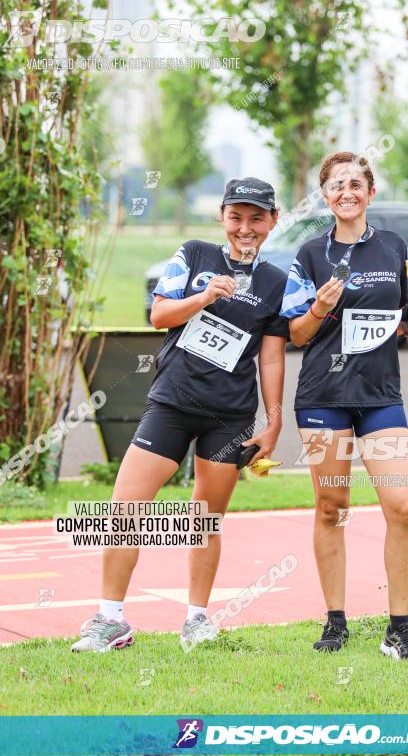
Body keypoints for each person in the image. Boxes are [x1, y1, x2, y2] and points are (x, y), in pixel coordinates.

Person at [71, 178, 289, 653]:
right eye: (236, 217)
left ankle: (196, 618)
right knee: (125, 509)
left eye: (257, 218)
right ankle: (110, 619)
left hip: (230, 417)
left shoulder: (276, 282)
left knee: (205, 518)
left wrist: (273, 422)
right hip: (171, 403)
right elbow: (160, 316)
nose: (245, 228)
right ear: (223, 219)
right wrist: (205, 297)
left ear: (273, 221)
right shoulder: (193, 255)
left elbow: (271, 357)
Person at [280, 152, 408, 660]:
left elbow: (405, 322)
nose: (346, 192)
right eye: (336, 185)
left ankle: (398, 627)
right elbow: (295, 332)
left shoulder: (393, 247)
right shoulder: (309, 254)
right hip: (323, 398)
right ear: (325, 197)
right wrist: (318, 308)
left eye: (356, 183)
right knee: (333, 507)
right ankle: (335, 622)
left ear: (370, 193)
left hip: (379, 398)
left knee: (403, 508)